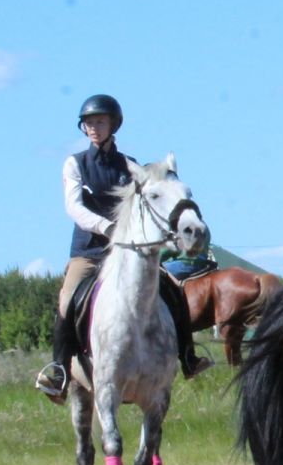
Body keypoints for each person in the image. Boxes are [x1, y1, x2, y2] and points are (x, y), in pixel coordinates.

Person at [34, 94, 210, 402]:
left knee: (174, 290)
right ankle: (59, 370)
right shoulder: (75, 164)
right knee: (67, 298)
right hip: (89, 253)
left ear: (113, 125)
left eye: (99, 122)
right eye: (88, 123)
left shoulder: (130, 166)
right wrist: (108, 228)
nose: (93, 128)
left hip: (129, 253)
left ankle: (188, 357)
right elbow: (74, 208)